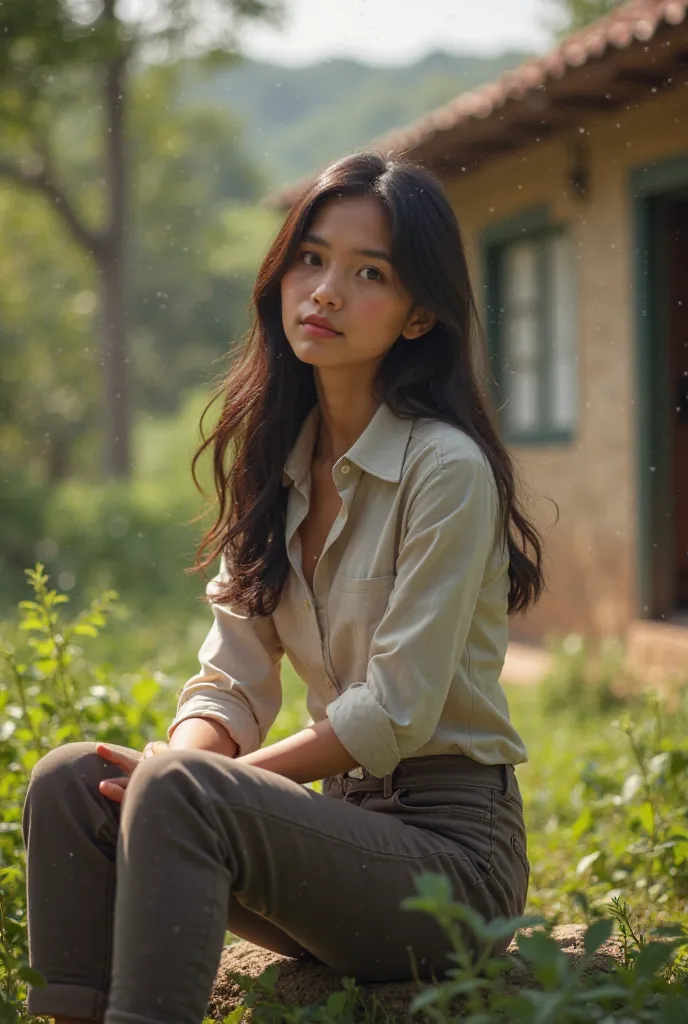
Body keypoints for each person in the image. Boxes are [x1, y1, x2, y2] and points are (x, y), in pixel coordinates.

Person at [22, 152, 544, 1024]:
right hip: (336, 838)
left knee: (175, 792)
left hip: (453, 864)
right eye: (311, 258)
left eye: (368, 272)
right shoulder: (277, 462)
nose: (326, 291)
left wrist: (187, 793)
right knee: (71, 779)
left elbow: (397, 710)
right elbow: (229, 680)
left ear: (419, 315)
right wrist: (174, 767)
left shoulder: (445, 469)